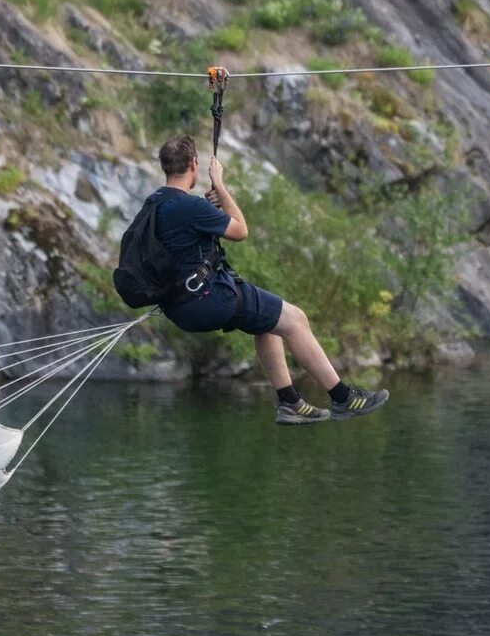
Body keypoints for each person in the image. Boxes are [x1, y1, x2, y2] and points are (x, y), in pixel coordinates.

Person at [150, 134, 389, 425]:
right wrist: (222, 188)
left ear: (165, 167)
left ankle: (290, 402)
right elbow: (241, 230)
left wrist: (212, 207)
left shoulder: (155, 205)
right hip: (209, 299)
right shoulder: (188, 207)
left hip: (180, 307)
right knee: (296, 319)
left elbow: (185, 242)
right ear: (193, 165)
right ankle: (344, 398)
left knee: (269, 322)